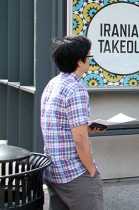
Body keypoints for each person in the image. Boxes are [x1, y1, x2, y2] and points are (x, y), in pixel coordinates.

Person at [40, 35, 104, 210]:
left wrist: (87, 127)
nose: (90, 60)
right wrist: (91, 170)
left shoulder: (53, 84)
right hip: (74, 172)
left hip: (53, 169)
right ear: (79, 61)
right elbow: (79, 139)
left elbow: (56, 123)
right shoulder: (76, 89)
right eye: (89, 56)